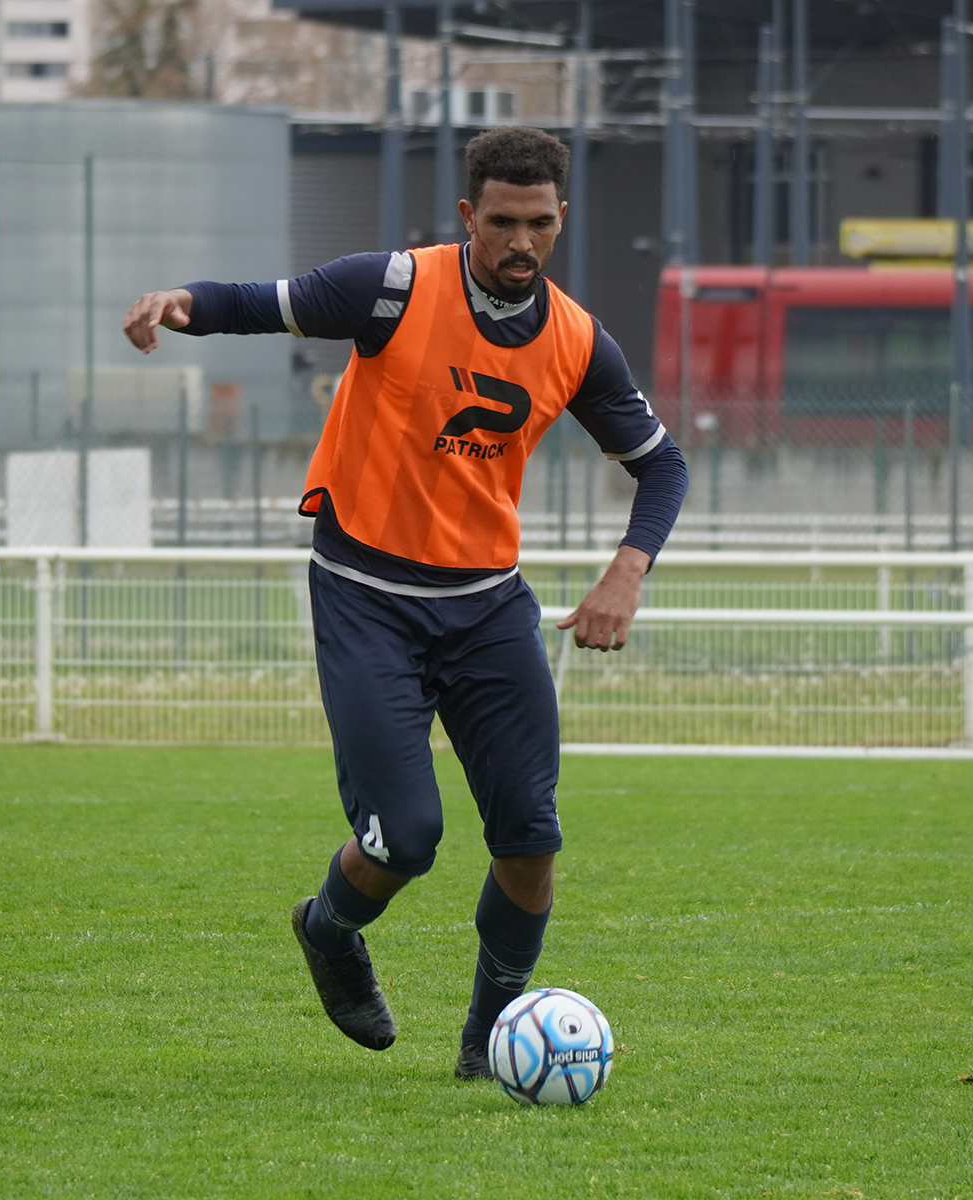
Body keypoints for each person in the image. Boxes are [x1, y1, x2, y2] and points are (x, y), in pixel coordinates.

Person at [123, 127, 687, 1077]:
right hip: (366, 598)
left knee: (531, 838)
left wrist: (625, 571)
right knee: (405, 838)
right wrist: (181, 301)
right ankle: (329, 928)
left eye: (537, 224)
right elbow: (265, 304)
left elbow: (661, 466)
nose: (520, 241)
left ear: (561, 220)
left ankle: (490, 1046)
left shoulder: (580, 341)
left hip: (487, 605)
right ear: (469, 216)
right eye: (501, 222)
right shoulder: (392, 286)